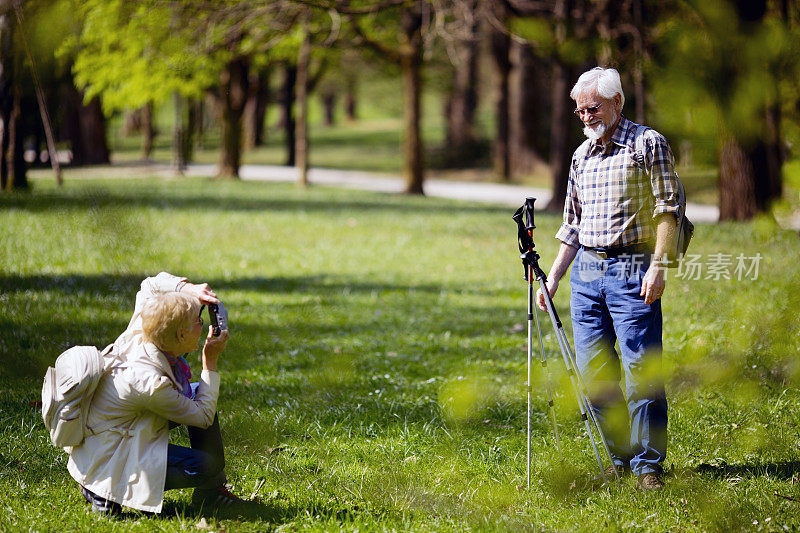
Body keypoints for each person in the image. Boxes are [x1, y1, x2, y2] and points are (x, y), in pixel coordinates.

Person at [536, 67, 680, 491]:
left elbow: (668, 209)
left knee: (641, 374)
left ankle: (649, 467)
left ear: (617, 102)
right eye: (579, 110)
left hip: (633, 270)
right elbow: (571, 225)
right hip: (586, 275)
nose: (585, 116)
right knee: (594, 376)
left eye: (592, 108)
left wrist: (660, 267)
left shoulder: (646, 144)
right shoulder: (581, 156)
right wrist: (555, 278)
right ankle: (622, 457)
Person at [67, 272, 250, 514]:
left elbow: (150, 285)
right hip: (106, 451)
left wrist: (189, 288)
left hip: (121, 424)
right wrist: (210, 361)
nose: (203, 325)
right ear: (180, 335)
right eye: (198, 320)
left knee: (197, 392)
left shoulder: (147, 326)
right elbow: (203, 416)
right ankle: (103, 487)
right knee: (205, 466)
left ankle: (211, 492)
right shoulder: (150, 383)